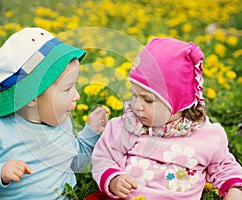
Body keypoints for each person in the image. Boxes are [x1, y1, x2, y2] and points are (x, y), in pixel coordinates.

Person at [0, 27, 108, 199]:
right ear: (30, 97)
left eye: (75, 85)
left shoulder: (62, 123)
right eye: (67, 89)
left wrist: (90, 133)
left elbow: (71, 163)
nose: (77, 95)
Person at [89, 38, 242, 200]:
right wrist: (114, 179)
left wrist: (235, 190)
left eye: (147, 100)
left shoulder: (207, 136)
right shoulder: (126, 126)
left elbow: (224, 167)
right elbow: (105, 156)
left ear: (179, 102)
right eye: (135, 95)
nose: (137, 106)